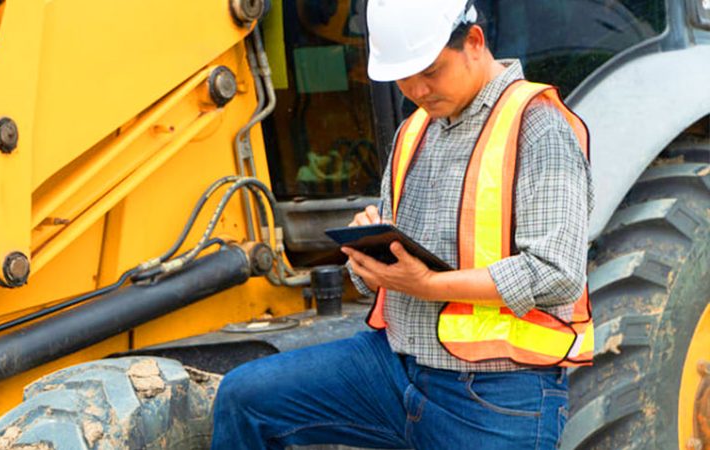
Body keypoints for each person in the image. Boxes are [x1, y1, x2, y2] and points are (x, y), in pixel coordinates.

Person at [211, 0, 595, 448]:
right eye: (403, 77)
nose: (417, 90)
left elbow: (556, 273)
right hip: (395, 367)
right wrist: (368, 254)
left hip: (496, 393)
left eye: (430, 72)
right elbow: (394, 266)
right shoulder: (414, 130)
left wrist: (429, 286)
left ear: (474, 42)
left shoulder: (540, 127)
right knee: (245, 397)